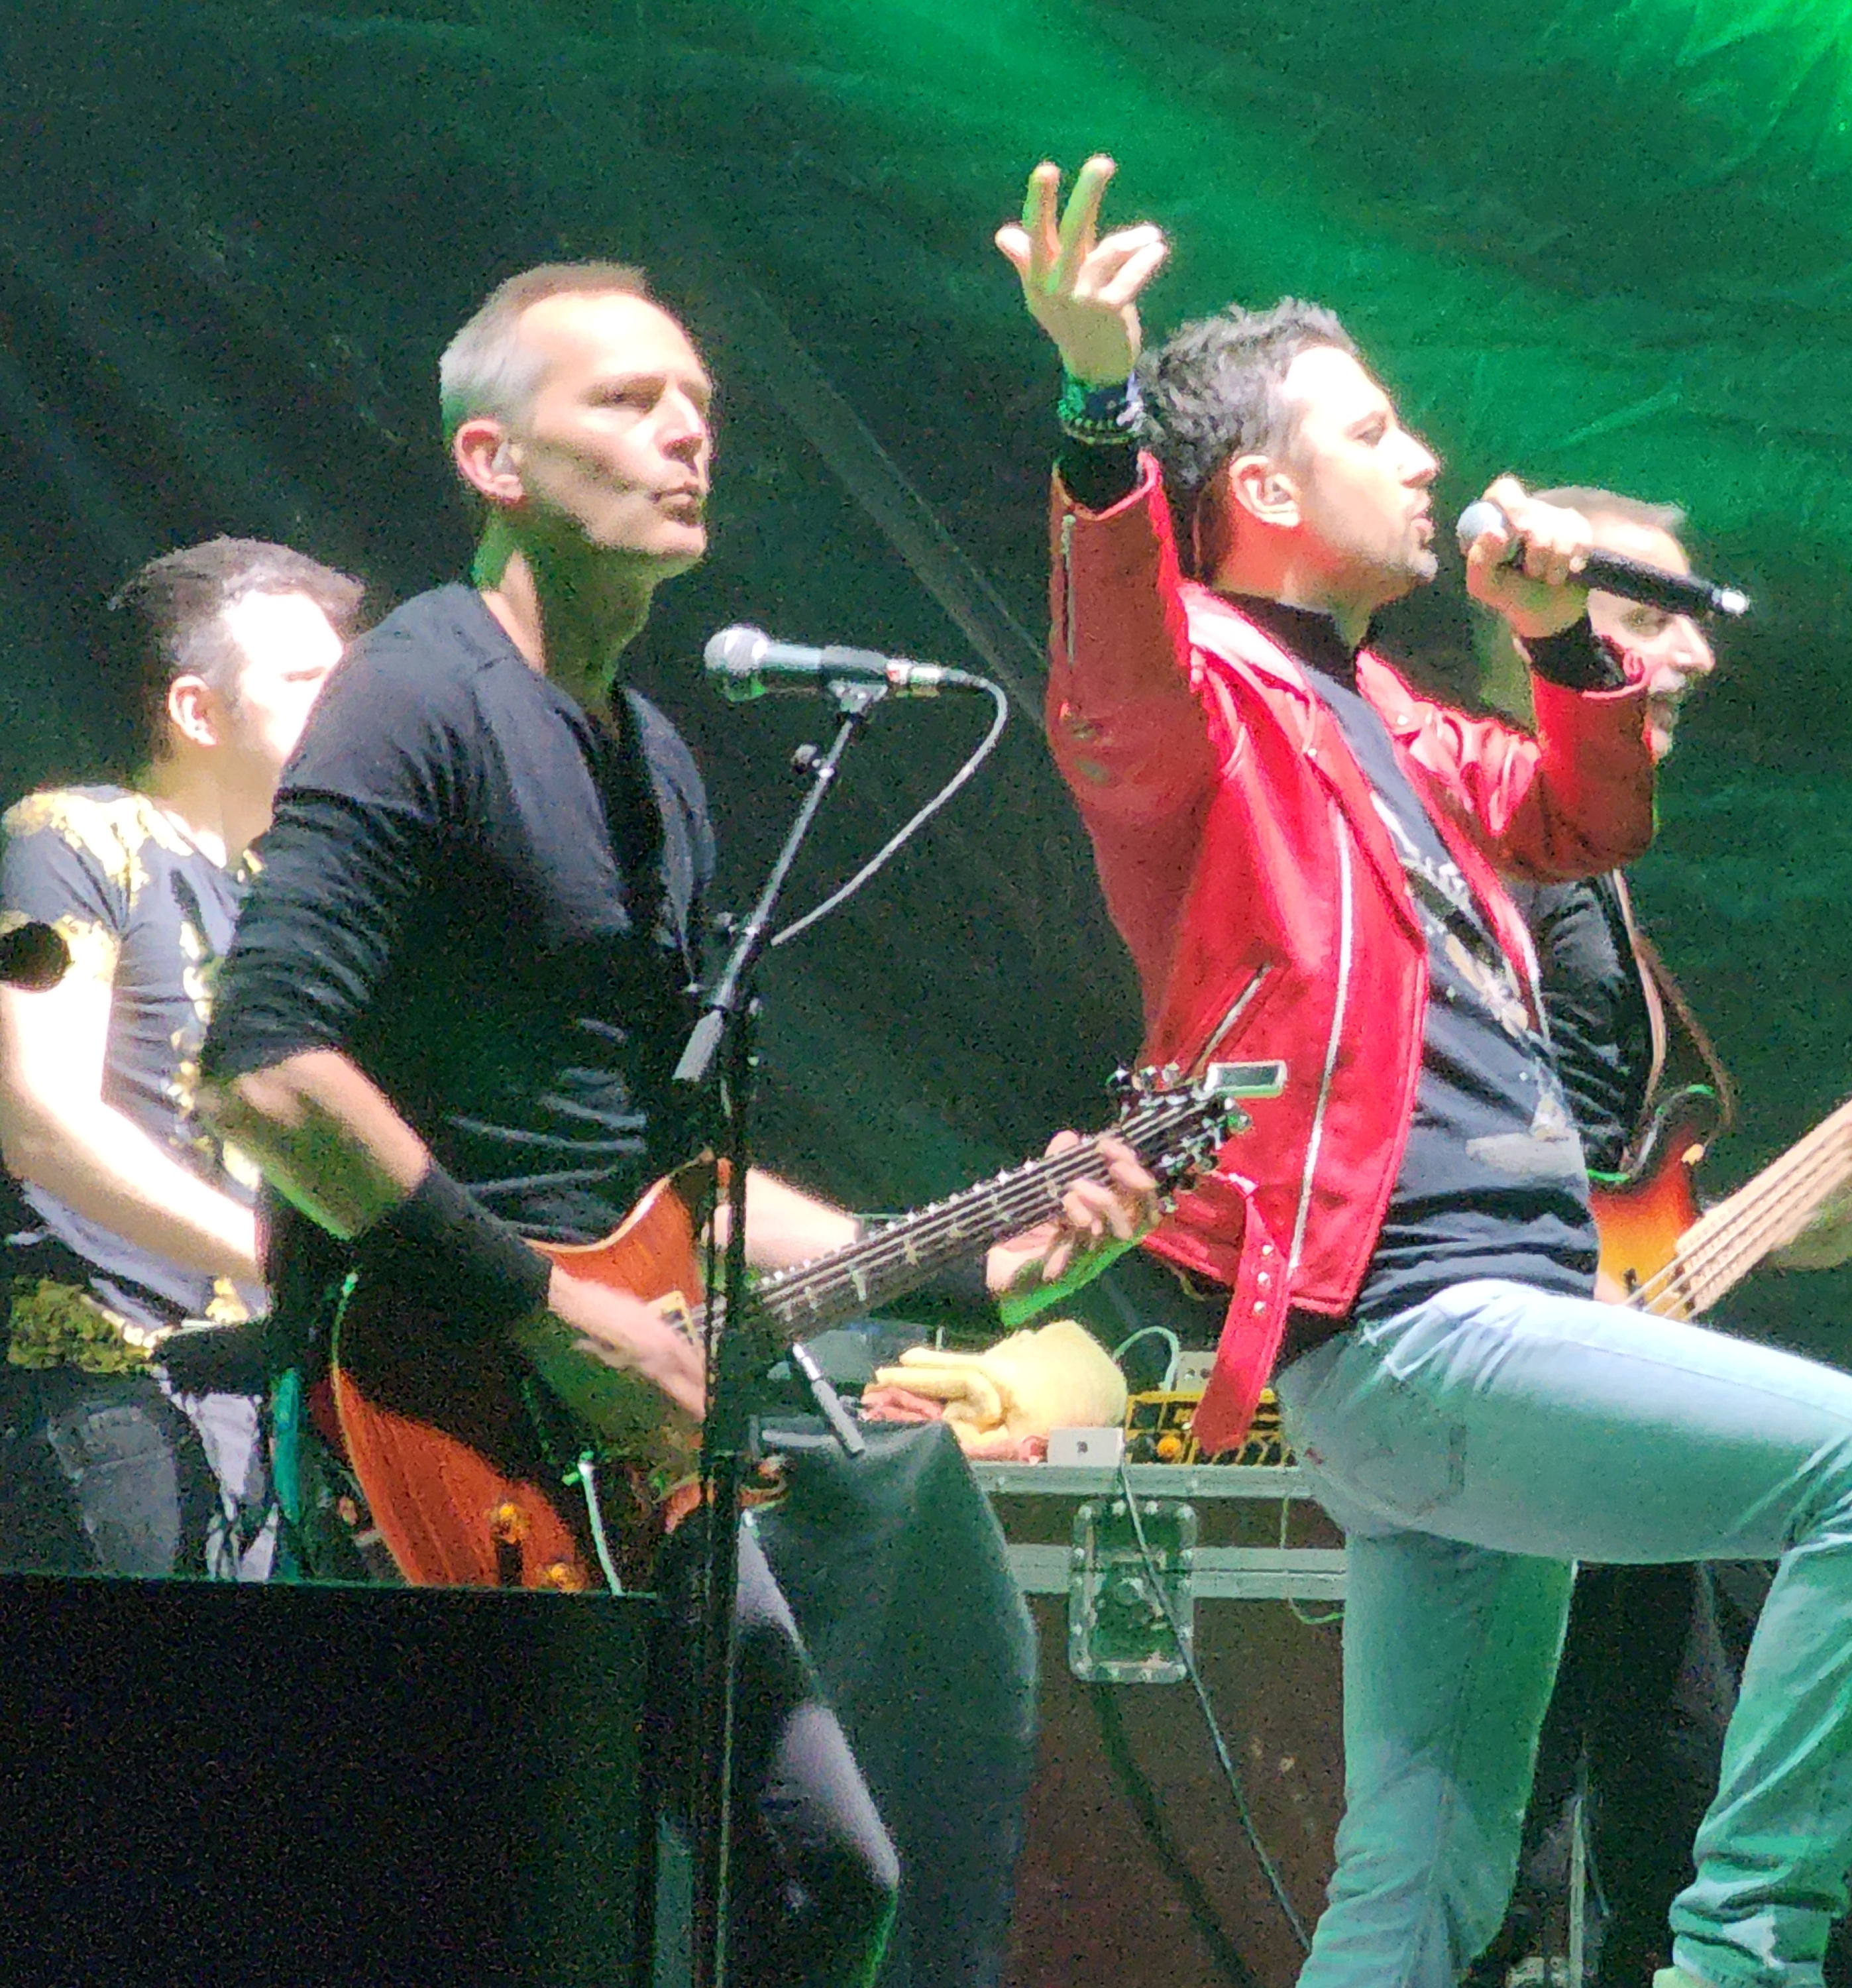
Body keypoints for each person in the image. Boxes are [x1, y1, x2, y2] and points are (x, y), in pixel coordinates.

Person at [1001, 154, 1852, 1988]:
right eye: (1375, 431)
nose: (1427, 458)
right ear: (1264, 492)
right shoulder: (1196, 690)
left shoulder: (1386, 713)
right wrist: (1096, 403)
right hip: (1416, 1321)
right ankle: (1743, 1961)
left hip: (1475, 1332)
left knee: (1418, 1885)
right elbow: (1116, 638)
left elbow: (1586, 818)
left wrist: (1554, 636)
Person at [198, 262, 1150, 1988]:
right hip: (434, 1406)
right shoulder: (416, 694)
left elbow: (670, 1182)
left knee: (822, 1886)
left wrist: (965, 1272)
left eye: (700, 403)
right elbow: (265, 1074)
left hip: (617, 1433)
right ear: (491, 459)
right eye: (627, 401)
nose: (688, 432)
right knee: (492, 1907)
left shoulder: (654, 763)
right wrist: (552, 1319)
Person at [1468, 494, 1852, 1988]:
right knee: (1496, 1874)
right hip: (1531, 1413)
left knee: (1670, 1833)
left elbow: (1624, 1206)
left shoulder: (1585, 862)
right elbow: (1458, 1148)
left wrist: (1823, 1212)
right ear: (1535, 620)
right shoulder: (1494, 844)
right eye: (1652, 617)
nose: (1699, 657)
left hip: (1602, 1422)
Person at [0, 537, 358, 1580]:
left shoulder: (278, 899)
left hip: (254, 1410)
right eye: (306, 680)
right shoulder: (69, 837)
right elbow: (39, 1120)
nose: (346, 708)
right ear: (198, 713)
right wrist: (282, 1259)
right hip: (97, 1389)